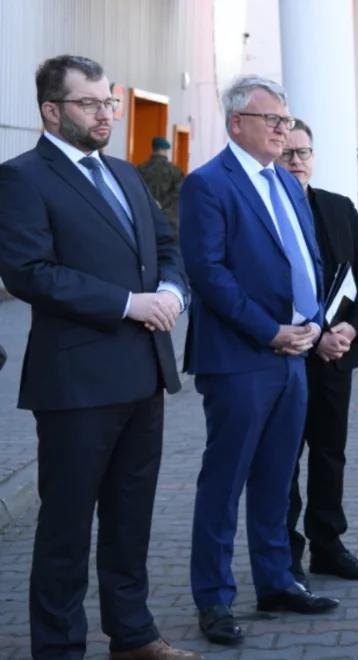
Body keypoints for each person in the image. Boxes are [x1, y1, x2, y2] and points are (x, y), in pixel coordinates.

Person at [0, 55, 198, 660]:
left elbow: (167, 245)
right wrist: (127, 303)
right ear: (51, 111)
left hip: (143, 374)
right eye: (89, 103)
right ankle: (59, 647)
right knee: (66, 525)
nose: (105, 113)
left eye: (109, 101)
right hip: (77, 382)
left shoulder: (128, 174)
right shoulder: (21, 178)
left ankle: (132, 634)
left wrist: (169, 290)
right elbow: (30, 273)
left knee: (129, 516)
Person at [179, 75, 339, 647]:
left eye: (286, 119)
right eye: (271, 119)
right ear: (236, 124)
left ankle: (276, 580)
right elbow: (209, 274)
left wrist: (314, 324)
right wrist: (270, 331)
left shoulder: (286, 183)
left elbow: (308, 259)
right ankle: (214, 599)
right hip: (241, 357)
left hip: (293, 354)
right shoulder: (208, 186)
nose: (283, 129)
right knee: (224, 483)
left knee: (277, 478)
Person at [276, 119, 358, 586]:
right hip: (286, 354)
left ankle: (328, 546)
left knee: (329, 452)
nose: (297, 161)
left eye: (304, 152)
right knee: (283, 457)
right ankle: (283, 553)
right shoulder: (267, 211)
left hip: (337, 354)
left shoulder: (338, 208)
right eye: (288, 154)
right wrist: (311, 335)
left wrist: (350, 330)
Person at [137, 136, 184, 236]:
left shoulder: (140, 169)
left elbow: (135, 192)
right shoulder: (174, 170)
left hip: (145, 217)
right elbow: (179, 194)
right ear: (165, 150)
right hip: (168, 220)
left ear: (153, 148)